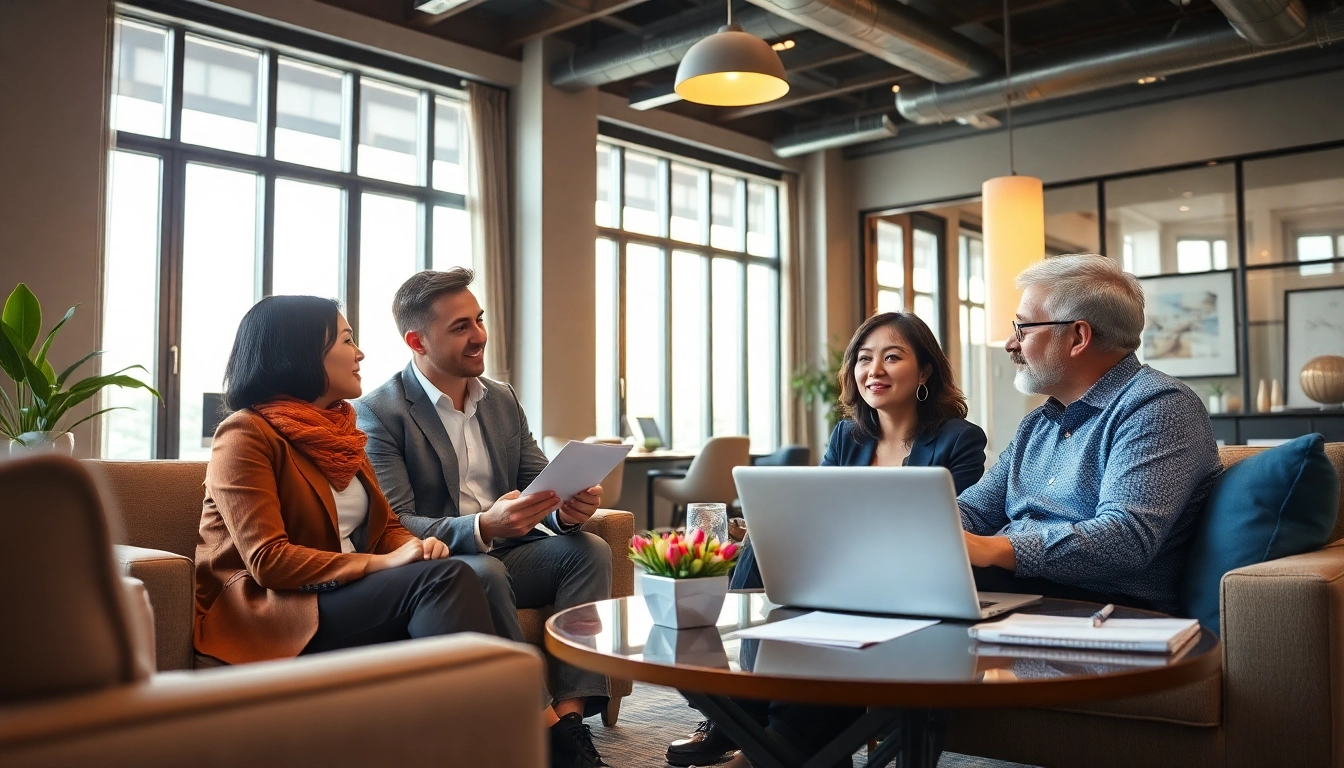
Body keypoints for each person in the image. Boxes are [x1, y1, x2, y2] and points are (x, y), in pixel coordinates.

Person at [669, 311, 988, 768]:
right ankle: (746, 706)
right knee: (764, 539)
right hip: (841, 572)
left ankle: (746, 723)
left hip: (906, 581)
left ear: (925, 371)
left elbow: (947, 527)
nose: (873, 371)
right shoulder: (848, 435)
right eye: (863, 359)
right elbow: (814, 510)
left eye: (892, 357)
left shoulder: (959, 439)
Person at [356, 268, 613, 768]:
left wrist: (567, 510)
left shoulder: (501, 398)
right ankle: (541, 731)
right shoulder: (379, 413)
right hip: (438, 562)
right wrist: (482, 528)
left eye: (478, 319)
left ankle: (572, 718)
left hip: (511, 550)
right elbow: (395, 521)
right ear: (417, 340)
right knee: (483, 570)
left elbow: (543, 481)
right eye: (460, 327)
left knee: (588, 551)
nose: (480, 336)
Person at [194, 295, 499, 671]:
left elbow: (386, 527)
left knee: (449, 572)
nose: (360, 354)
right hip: (275, 607)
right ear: (302, 352)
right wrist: (379, 563)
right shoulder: (245, 434)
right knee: (444, 580)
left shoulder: (341, 431)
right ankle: (491, 723)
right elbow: (268, 561)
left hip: (341, 592)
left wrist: (417, 547)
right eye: (347, 340)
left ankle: (457, 721)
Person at [959, 253, 1222, 612]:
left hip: (1105, 606)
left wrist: (992, 549)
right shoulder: (1038, 424)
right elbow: (974, 510)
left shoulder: (1158, 406)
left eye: (1023, 328)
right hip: (1022, 590)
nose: (1010, 343)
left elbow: (1125, 538)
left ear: (1077, 337)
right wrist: (928, 529)